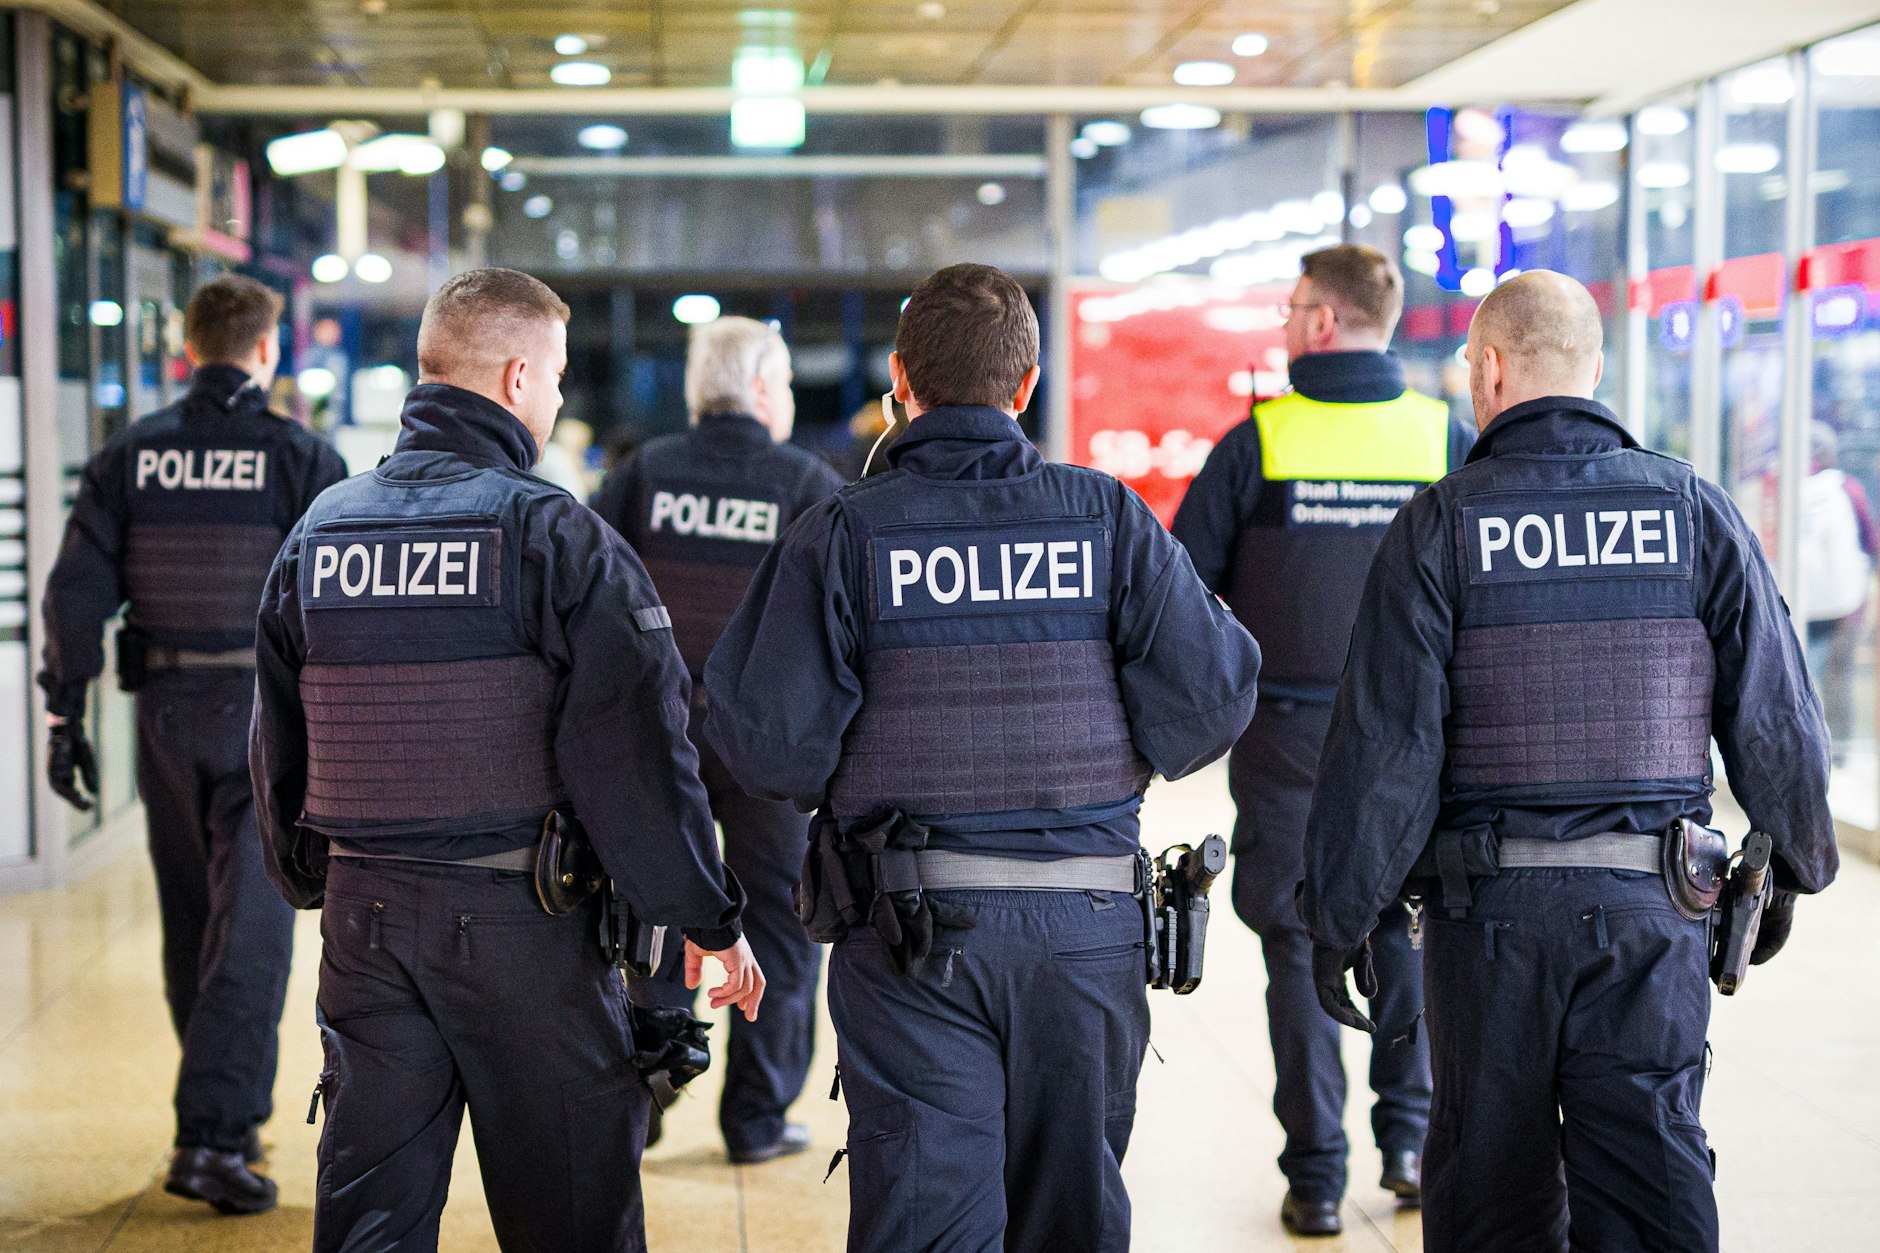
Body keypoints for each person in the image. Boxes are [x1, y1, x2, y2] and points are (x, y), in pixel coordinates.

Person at [704, 263, 1261, 1251]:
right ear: (1026, 383)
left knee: (923, 1220)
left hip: (911, 938)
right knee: (1071, 1218)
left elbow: (764, 746)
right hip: (1085, 935)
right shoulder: (1105, 516)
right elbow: (1206, 709)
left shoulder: (844, 529)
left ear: (898, 380)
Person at [1301, 270, 1838, 1253]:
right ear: (1592, 369)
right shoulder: (1690, 507)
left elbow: (1385, 748)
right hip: (1652, 913)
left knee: (1489, 1184)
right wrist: (1796, 860)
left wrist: (1340, 914)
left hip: (1489, 923)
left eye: (1469, 367)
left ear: (1491, 369)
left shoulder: (1442, 524)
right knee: (1649, 1169)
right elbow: (1771, 711)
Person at [249, 267, 765, 1252]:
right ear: (519, 375)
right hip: (524, 929)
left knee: (369, 1216)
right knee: (572, 1211)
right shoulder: (554, 534)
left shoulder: (320, 531)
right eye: (560, 376)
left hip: (366, 921)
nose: (562, 397)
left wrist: (313, 871)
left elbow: (278, 733)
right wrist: (706, 915)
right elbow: (637, 754)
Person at [1171, 243, 1472, 1235]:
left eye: (1292, 307)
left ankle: (1312, 1174)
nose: (1283, 323)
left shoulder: (1256, 443)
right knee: (1409, 929)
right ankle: (1411, 1142)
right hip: (1419, 741)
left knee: (1297, 949)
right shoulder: (1445, 438)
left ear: (1324, 321)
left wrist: (1231, 692)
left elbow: (1178, 594)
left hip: (1291, 736)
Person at [37, 274, 348, 1215]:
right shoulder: (301, 455)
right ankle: (212, 1137)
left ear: (186, 348)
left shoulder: (131, 454)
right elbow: (340, 594)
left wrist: (64, 711)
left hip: (162, 713)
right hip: (265, 714)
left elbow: (75, 591)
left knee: (193, 922)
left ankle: (225, 1111)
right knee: (252, 932)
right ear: (268, 351)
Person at [593, 316, 843, 1163]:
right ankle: (757, 1117)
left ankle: (650, 1092)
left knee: (657, 905)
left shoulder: (642, 476)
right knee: (779, 919)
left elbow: (593, 604)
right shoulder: (807, 483)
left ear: (702, 390)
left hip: (656, 738)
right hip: (767, 748)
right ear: (766, 389)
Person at [1800, 420, 1875, 749]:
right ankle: (1840, 749)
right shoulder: (1848, 488)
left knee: (1800, 679)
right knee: (1839, 676)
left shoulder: (1785, 486)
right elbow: (1870, 540)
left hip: (1799, 601)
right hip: (1847, 602)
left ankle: (1809, 750)